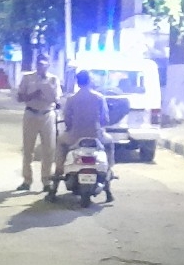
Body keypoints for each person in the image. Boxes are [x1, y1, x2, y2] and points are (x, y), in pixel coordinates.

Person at [52, 70, 115, 202]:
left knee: (60, 143)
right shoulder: (99, 98)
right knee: (110, 143)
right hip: (96, 136)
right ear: (90, 81)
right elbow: (105, 119)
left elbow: (67, 119)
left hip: (75, 136)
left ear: (77, 82)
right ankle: (108, 179)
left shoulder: (71, 99)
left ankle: (55, 183)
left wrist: (71, 128)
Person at [15, 53, 60, 192]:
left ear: (48, 65)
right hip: (31, 113)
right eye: (39, 64)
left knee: (49, 149)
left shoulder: (53, 79)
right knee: (28, 149)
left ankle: (46, 181)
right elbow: (19, 97)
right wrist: (32, 95)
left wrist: (50, 95)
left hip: (47, 114)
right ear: (36, 64)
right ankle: (27, 180)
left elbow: (58, 100)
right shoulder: (28, 78)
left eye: (44, 64)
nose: (41, 66)